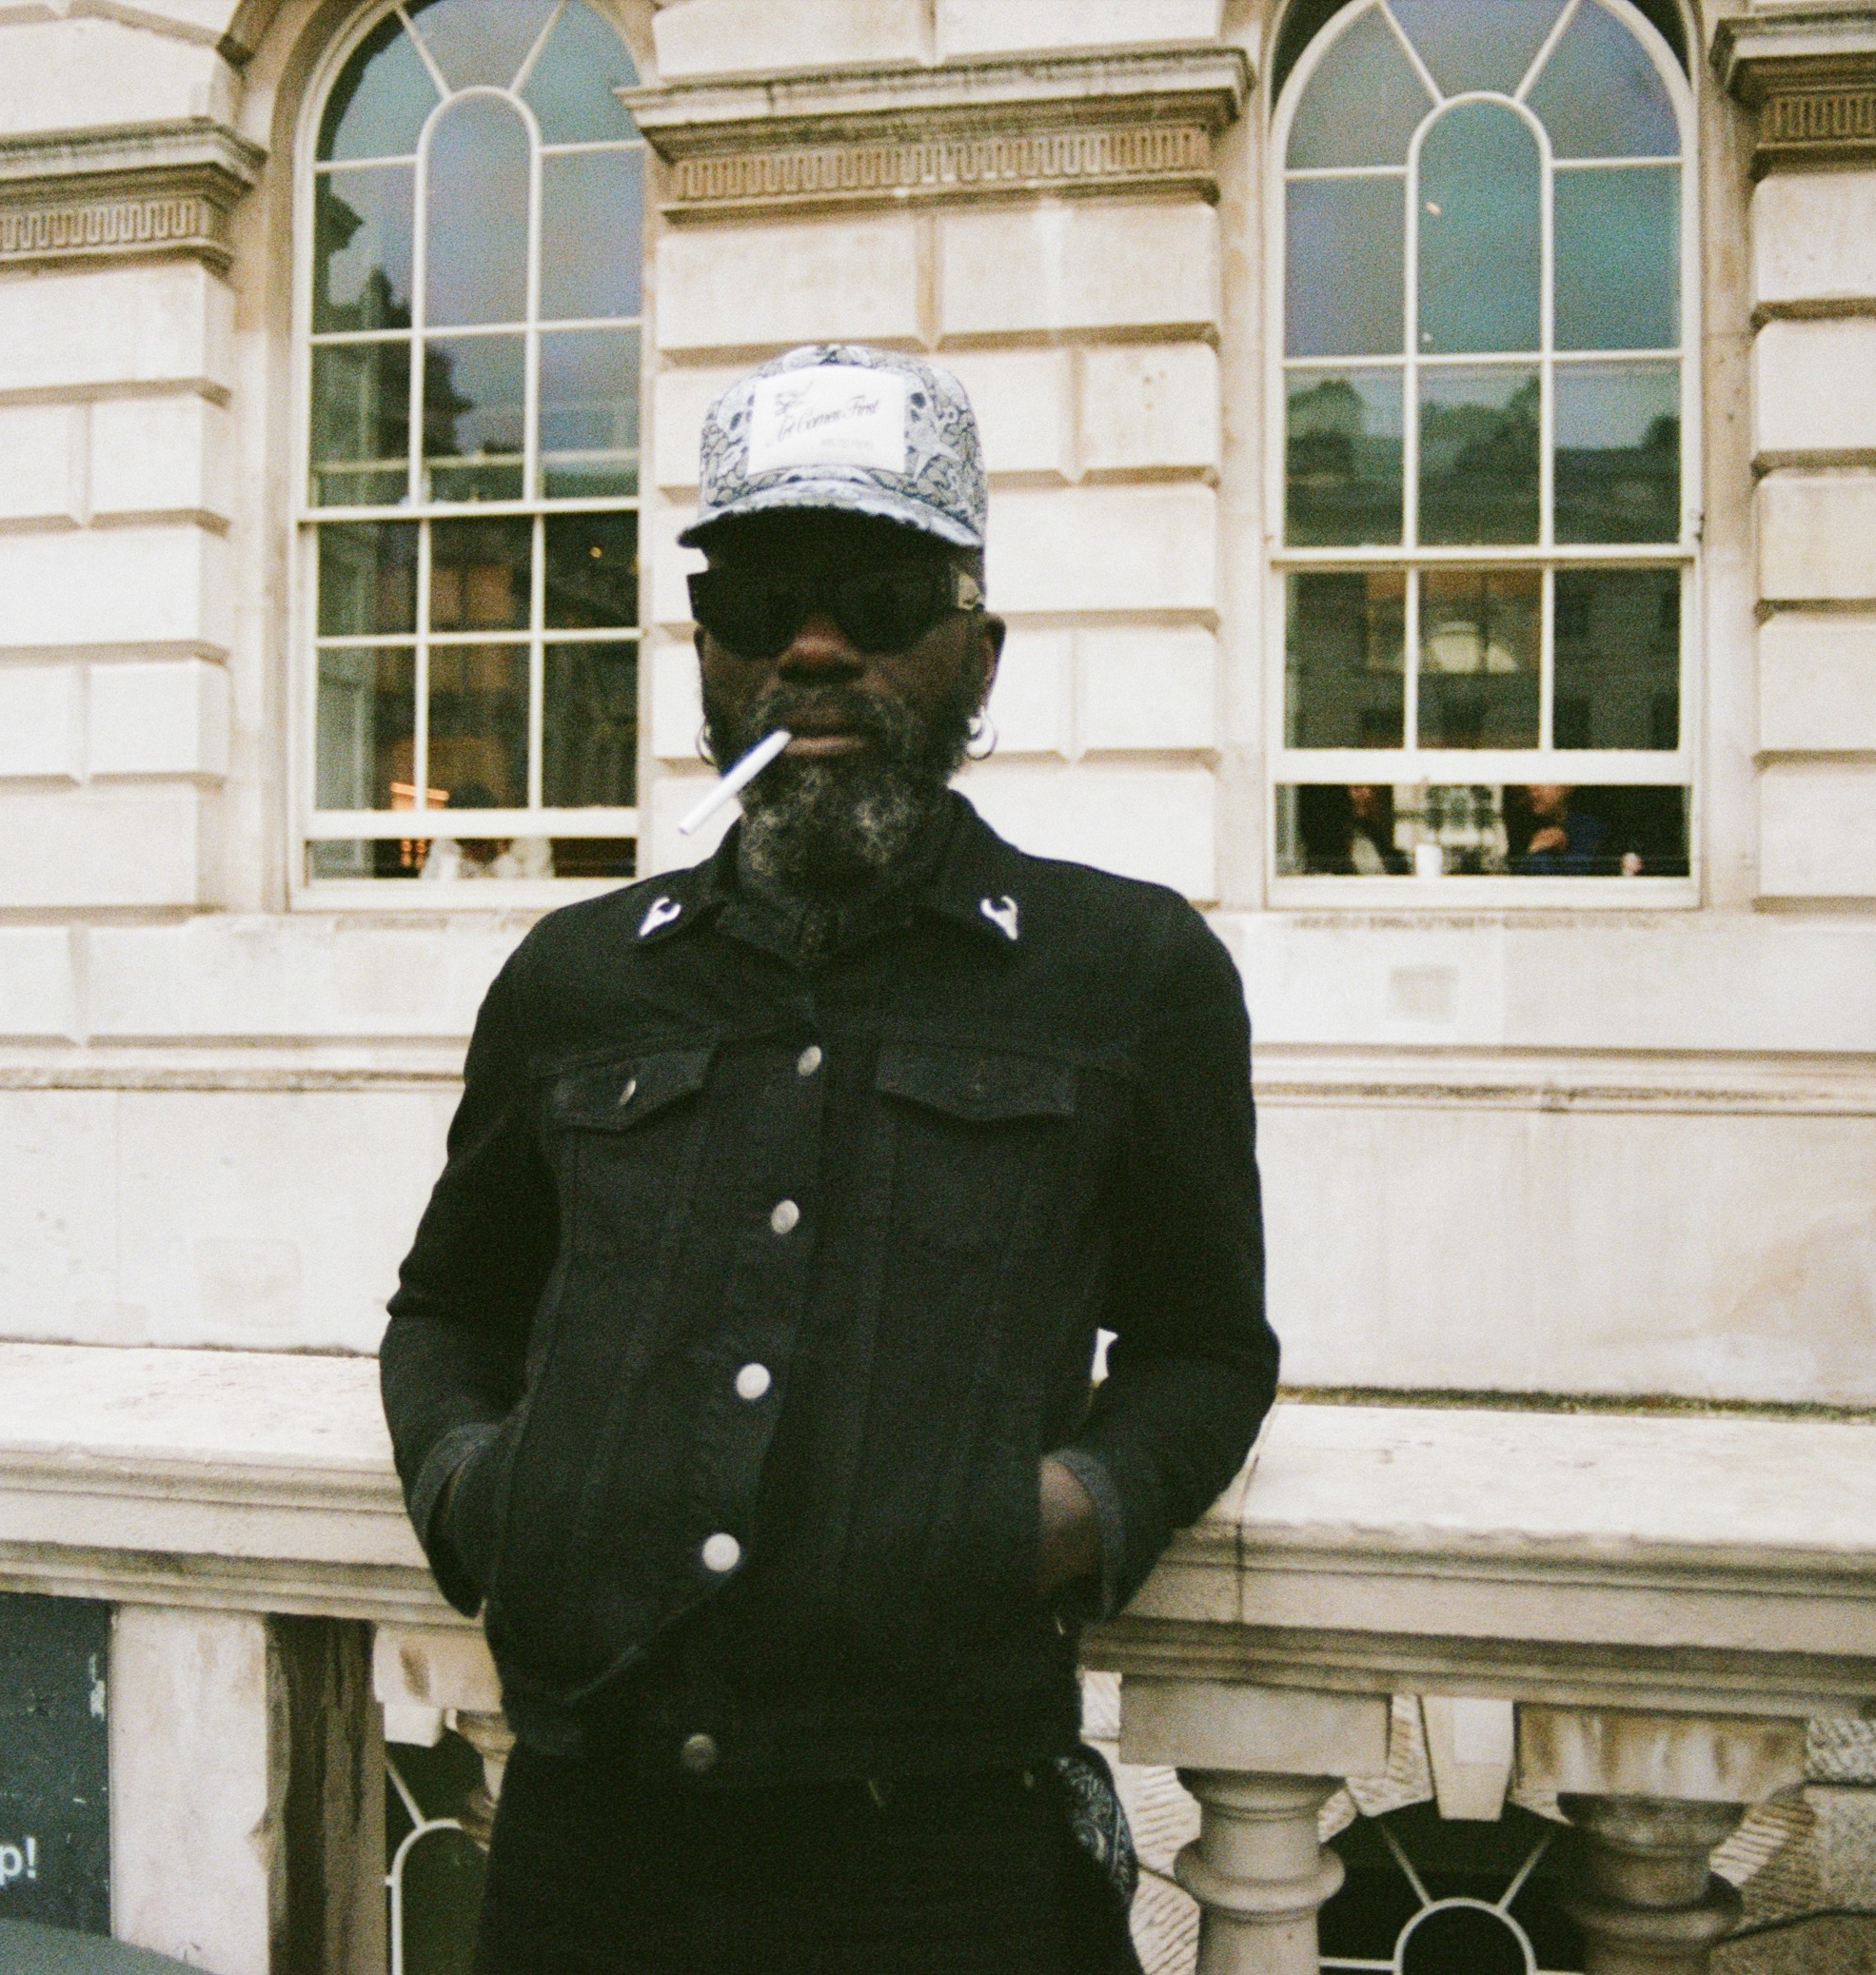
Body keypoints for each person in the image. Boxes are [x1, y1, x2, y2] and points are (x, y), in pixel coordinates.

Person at [381, 344, 1278, 1975]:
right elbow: (448, 1310)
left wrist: (1061, 1514)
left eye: (877, 597)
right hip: (594, 1836)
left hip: (940, 1848)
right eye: (757, 599)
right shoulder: (574, 981)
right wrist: (486, 1498)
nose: (812, 647)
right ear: (702, 654)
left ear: (977, 655)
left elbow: (1205, 1346)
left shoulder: (1129, 975)